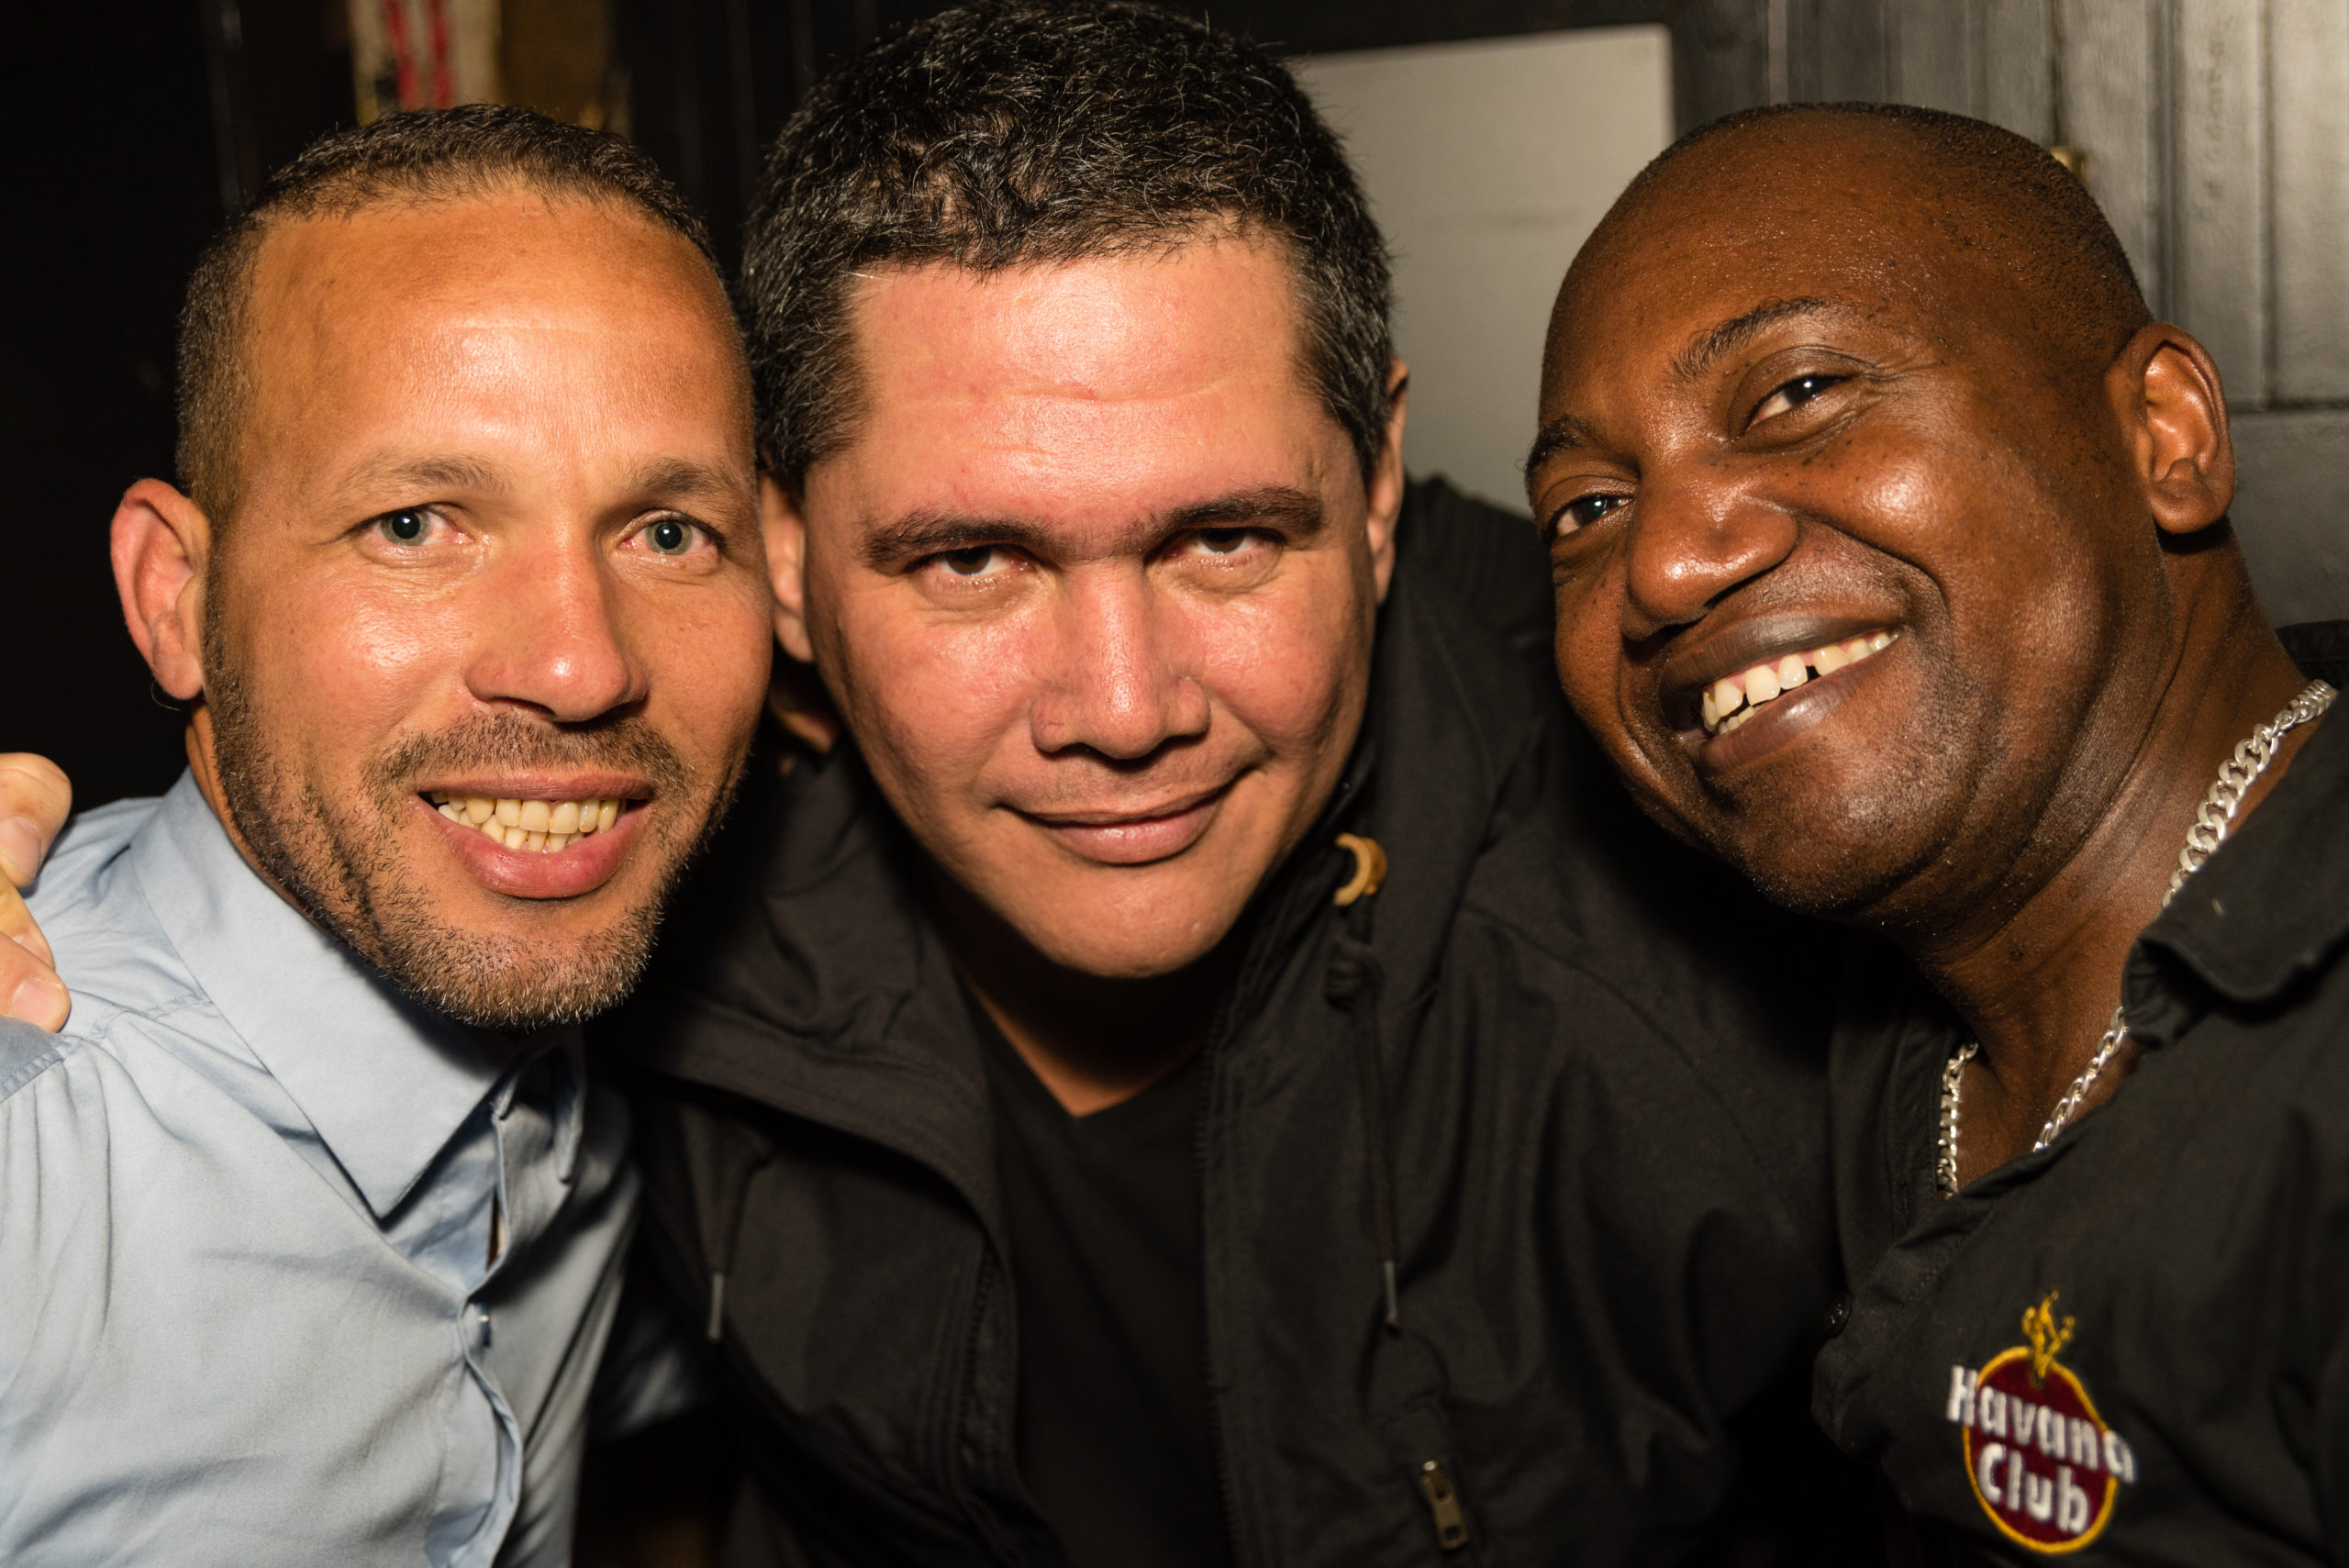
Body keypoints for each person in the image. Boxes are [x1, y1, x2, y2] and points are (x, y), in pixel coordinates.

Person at [607, 5, 1863, 1563]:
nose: (1124, 711)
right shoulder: (639, 917)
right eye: (972, 560)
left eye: (1225, 540)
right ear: (788, 559)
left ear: (1377, 484)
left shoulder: (1726, 991)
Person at [1533, 100, 2349, 1561]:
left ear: (2165, 436)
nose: (1661, 564)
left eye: (1796, 392)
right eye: (1587, 506)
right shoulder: (1888, 1038)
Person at [0, 107, 772, 1565]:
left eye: (668, 532)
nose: (581, 665)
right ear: (177, 599)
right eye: (416, 524)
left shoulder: (594, 1100)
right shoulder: (33, 1168)